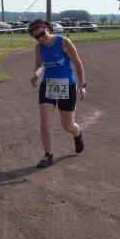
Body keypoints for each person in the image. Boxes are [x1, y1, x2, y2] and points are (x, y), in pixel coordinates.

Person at [28, 19, 86, 168]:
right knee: (45, 121)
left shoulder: (63, 42)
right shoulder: (39, 47)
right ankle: (48, 155)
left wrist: (82, 85)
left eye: (42, 34)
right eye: (36, 37)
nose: (40, 38)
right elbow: (39, 65)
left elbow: (78, 63)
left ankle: (77, 132)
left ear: (48, 29)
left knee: (67, 126)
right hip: (48, 85)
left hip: (67, 85)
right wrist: (36, 74)